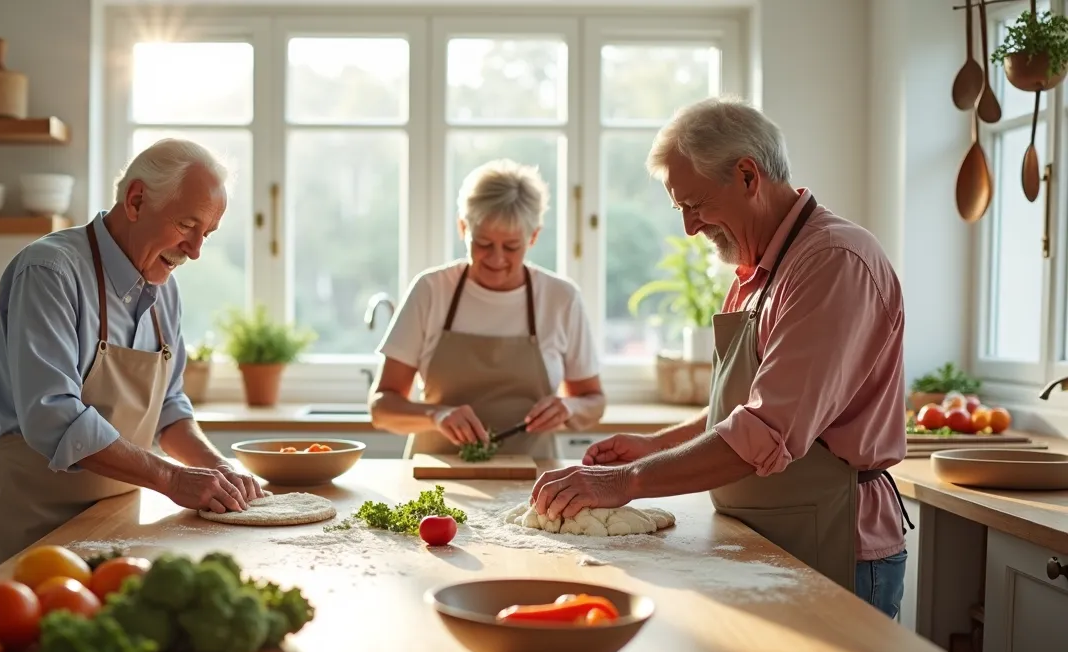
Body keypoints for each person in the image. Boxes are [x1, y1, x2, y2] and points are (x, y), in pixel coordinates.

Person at [530, 97, 913, 618]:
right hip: (771, 532)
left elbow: (766, 428)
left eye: (696, 204)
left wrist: (625, 482)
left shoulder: (831, 263)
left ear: (748, 175)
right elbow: (744, 406)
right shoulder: (760, 268)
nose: (689, 227)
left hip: (835, 542)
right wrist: (655, 445)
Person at [0, 139, 263, 576]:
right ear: (137, 199)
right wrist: (173, 479)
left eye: (208, 234)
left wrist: (216, 467)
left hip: (117, 521)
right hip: (32, 522)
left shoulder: (166, 288)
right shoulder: (49, 270)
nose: (196, 250)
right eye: (187, 225)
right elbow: (53, 415)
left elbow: (169, 409)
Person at [370, 159, 606, 458]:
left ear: (533, 237)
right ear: (462, 228)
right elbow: (381, 408)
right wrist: (436, 415)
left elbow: (594, 402)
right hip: (436, 478)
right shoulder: (431, 290)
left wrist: (568, 407)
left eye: (511, 246)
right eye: (482, 243)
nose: (496, 259)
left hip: (535, 480)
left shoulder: (561, 298)